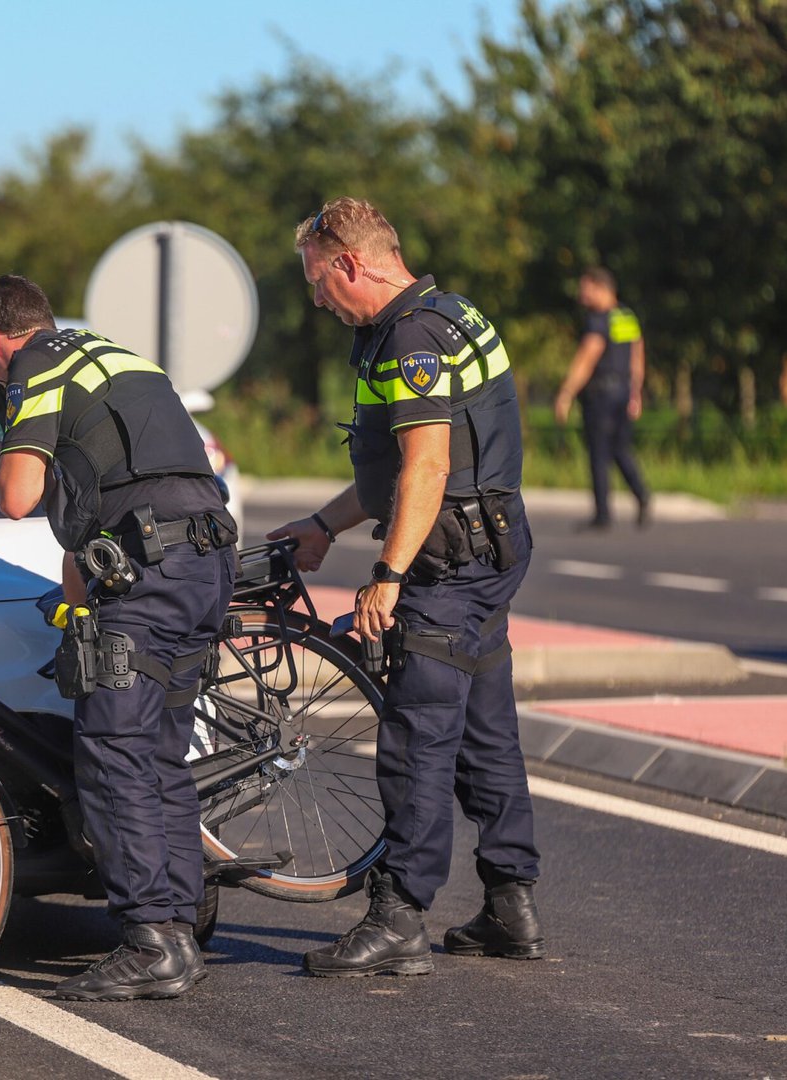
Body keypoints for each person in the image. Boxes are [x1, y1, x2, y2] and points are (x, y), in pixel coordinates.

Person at [269, 197, 545, 977]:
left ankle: (398, 918)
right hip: (492, 548)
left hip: (445, 565)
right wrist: (326, 521)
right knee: (485, 726)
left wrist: (386, 575)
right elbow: (398, 469)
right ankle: (510, 901)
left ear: (351, 263)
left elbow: (426, 465)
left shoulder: (409, 340)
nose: (316, 297)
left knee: (418, 740)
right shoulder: (452, 313)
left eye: (319, 280)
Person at [0, 274, 239, 1001]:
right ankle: (177, 929)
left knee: (114, 753)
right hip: (204, 558)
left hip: (149, 572)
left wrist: (1, 445)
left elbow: (19, 496)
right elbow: (103, 494)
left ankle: (150, 940)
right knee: (160, 752)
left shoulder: (35, 367)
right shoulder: (119, 360)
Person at [553, 267, 651, 530]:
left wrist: (566, 393)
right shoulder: (626, 316)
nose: (581, 294)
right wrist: (636, 392)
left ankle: (603, 515)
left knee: (598, 453)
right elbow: (637, 356)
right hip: (623, 392)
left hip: (601, 396)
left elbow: (587, 358)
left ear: (600, 287)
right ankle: (641, 494)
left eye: (585, 288)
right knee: (620, 449)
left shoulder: (598, 320)